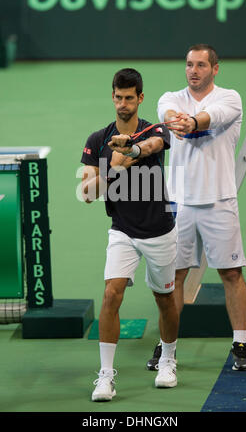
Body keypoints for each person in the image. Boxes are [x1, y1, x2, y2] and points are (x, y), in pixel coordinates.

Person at [146, 44, 246, 372]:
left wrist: (192, 122)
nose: (194, 70)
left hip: (220, 201)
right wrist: (177, 120)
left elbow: (212, 117)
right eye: (190, 64)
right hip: (179, 203)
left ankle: (240, 343)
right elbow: (167, 115)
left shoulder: (229, 98)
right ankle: (167, 348)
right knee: (173, 277)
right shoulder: (170, 98)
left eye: (202, 65)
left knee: (231, 273)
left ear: (215, 69)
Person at [81, 68, 180, 402]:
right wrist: (113, 169)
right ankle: (106, 376)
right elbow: (86, 192)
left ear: (140, 97)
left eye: (129, 97)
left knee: (165, 299)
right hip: (121, 229)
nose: (123, 103)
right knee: (111, 294)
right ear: (112, 96)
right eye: (118, 97)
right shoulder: (97, 140)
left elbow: (153, 145)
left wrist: (132, 151)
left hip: (158, 231)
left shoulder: (156, 129)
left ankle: (168, 359)